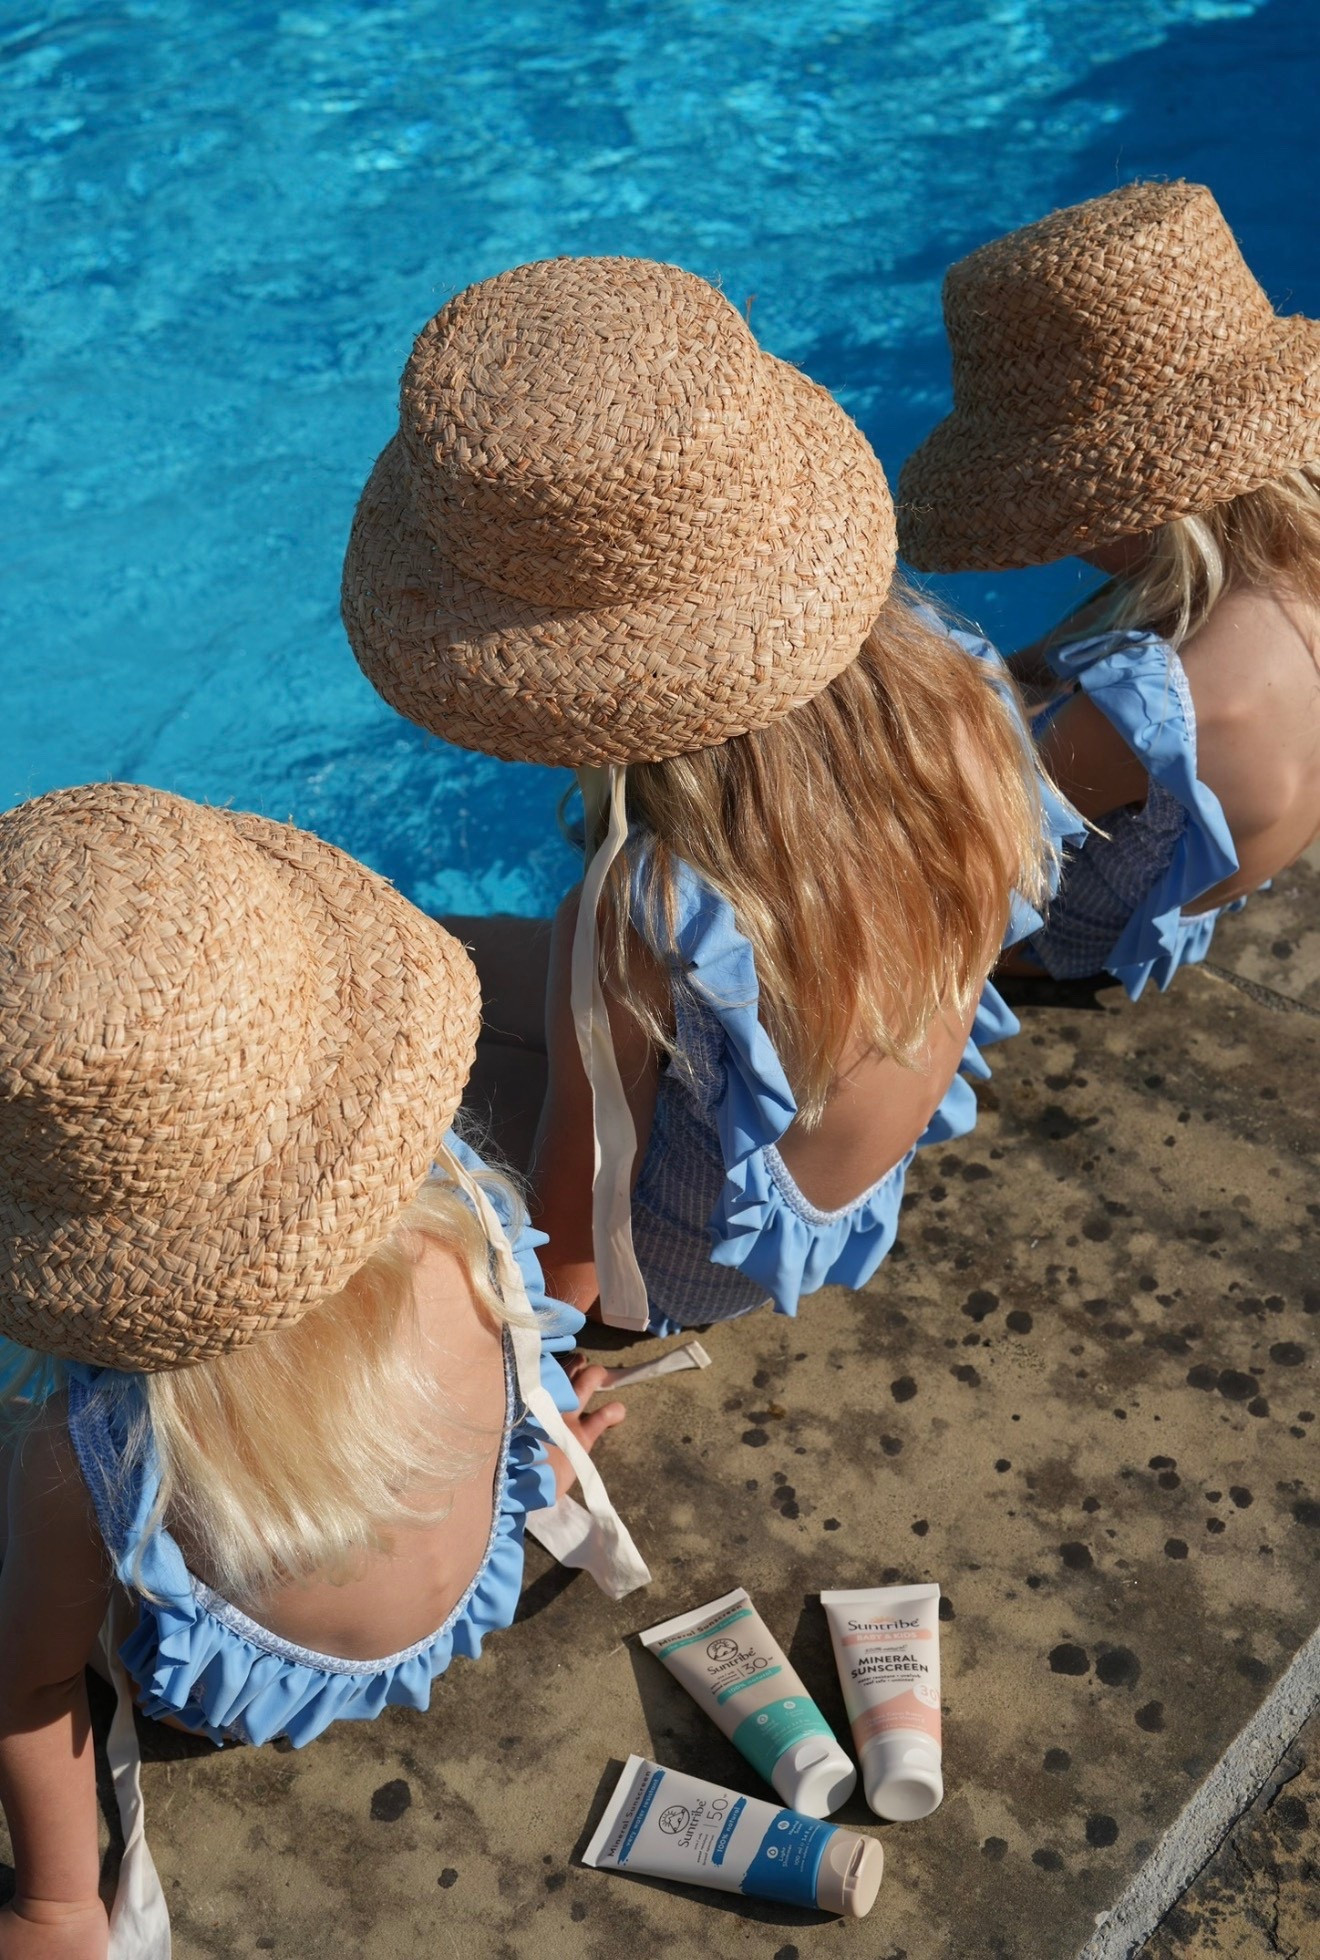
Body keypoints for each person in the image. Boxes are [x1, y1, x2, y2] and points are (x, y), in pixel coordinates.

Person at [341, 254, 1075, 1334]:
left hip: (689, 1259)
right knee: (408, 963)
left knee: (360, 1091)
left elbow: (577, 1232)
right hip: (843, 1183)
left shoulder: (641, 907)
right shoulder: (958, 687)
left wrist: (552, 1365)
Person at [0, 783, 645, 1960]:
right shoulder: (464, 1224)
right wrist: (539, 1461)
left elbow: (32, 1690)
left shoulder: (92, 1448)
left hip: (245, 1700)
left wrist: (57, 1905)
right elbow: (508, 1387)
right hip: (466, 1596)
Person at [899, 179, 1320, 997]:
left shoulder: (1158, 712)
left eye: (1058, 510)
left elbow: (948, 835)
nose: (1057, 537)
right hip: (1210, 887)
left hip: (1065, 939)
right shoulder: (1280, 574)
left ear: (1136, 507)